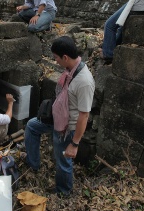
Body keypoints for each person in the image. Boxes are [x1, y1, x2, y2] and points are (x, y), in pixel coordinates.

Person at [24, 36, 95, 197]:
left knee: (63, 161)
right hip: (56, 118)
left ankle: (64, 192)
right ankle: (33, 164)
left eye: (56, 58)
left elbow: (84, 115)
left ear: (65, 57)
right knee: (32, 126)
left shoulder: (84, 81)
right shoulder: (70, 70)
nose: (55, 62)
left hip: (67, 127)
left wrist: (75, 144)